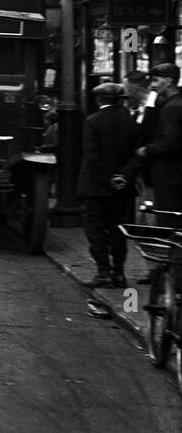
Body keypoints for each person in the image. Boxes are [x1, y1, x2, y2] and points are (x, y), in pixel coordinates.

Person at [77, 83, 138, 288]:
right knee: (117, 229)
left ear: (99, 100)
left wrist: (109, 178)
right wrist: (123, 176)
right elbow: (136, 154)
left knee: (94, 229)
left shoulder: (92, 121)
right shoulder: (130, 121)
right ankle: (119, 273)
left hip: (96, 186)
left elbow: (91, 155)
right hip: (123, 188)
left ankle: (103, 272)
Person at [121, 62, 182, 228]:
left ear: (168, 81)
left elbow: (171, 142)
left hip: (168, 172)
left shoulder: (168, 107)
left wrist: (146, 150)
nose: (152, 85)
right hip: (166, 171)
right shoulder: (170, 104)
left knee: (168, 217)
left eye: (155, 80)